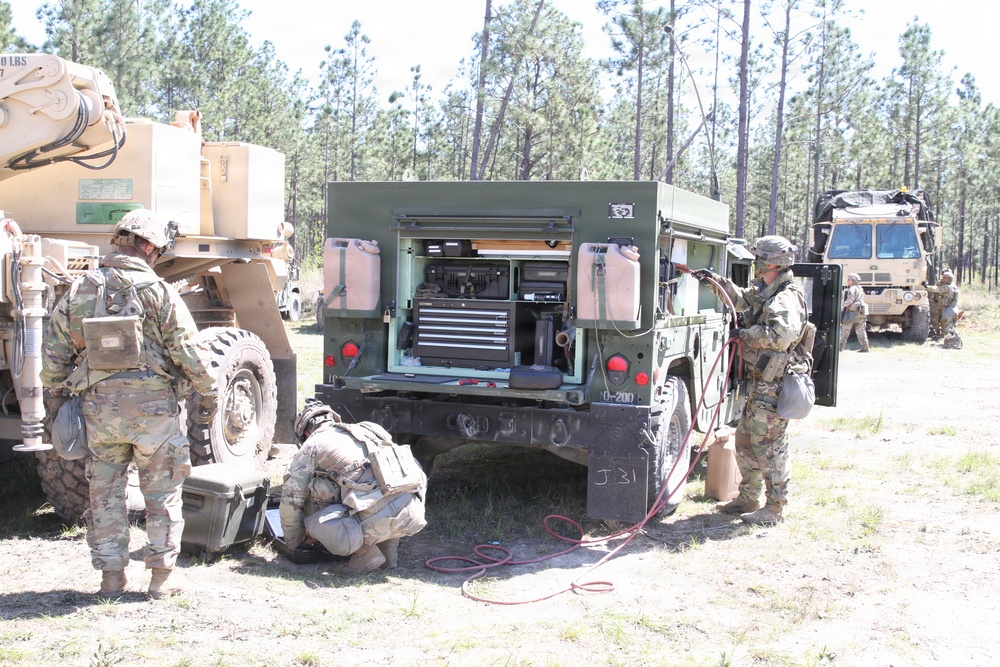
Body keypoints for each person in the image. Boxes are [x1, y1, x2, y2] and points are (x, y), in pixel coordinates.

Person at [41, 210, 218, 599]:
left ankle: (111, 579)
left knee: (104, 495)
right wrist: (209, 394)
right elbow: (191, 353)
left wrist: (55, 399)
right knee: (162, 495)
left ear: (120, 241)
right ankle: (161, 578)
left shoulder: (79, 290)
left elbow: (54, 356)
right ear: (150, 247)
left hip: (99, 414)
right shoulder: (160, 292)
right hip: (154, 416)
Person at [692, 236, 809, 525]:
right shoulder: (767, 289)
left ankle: (775, 507)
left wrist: (745, 335)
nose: (755, 262)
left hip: (774, 384)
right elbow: (742, 299)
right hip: (759, 382)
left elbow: (781, 337)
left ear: (771, 262)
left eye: (759, 258)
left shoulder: (784, 297)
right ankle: (749, 497)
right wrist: (715, 281)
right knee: (745, 440)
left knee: (769, 446)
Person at [280, 399, 427, 574]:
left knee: (314, 499)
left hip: (375, 523)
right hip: (412, 515)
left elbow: (291, 498)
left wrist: (294, 541)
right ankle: (388, 551)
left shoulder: (314, 443)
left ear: (307, 431)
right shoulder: (370, 429)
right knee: (387, 486)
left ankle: (365, 554)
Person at [924, 270, 961, 347]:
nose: (943, 279)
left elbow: (937, 289)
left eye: (945, 278)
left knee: (947, 325)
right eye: (943, 277)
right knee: (935, 320)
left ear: (949, 279)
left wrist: (926, 286)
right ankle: (937, 334)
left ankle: (951, 339)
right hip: (941, 307)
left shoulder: (948, 287)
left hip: (948, 309)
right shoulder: (945, 284)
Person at [839, 273, 870, 352]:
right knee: (861, 331)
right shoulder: (860, 288)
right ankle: (865, 348)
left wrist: (842, 306)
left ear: (853, 281)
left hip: (852, 313)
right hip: (861, 312)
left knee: (845, 330)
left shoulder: (852, 289)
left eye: (848, 279)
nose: (847, 281)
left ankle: (840, 348)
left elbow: (850, 300)